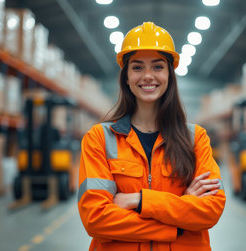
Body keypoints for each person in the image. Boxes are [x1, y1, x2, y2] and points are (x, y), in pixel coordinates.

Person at [78, 21, 226, 251]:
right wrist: (177, 223)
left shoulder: (196, 138)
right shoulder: (99, 138)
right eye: (137, 67)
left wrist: (139, 200)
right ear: (126, 77)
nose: (148, 76)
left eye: (158, 67)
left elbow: (210, 210)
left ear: (169, 75)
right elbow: (96, 220)